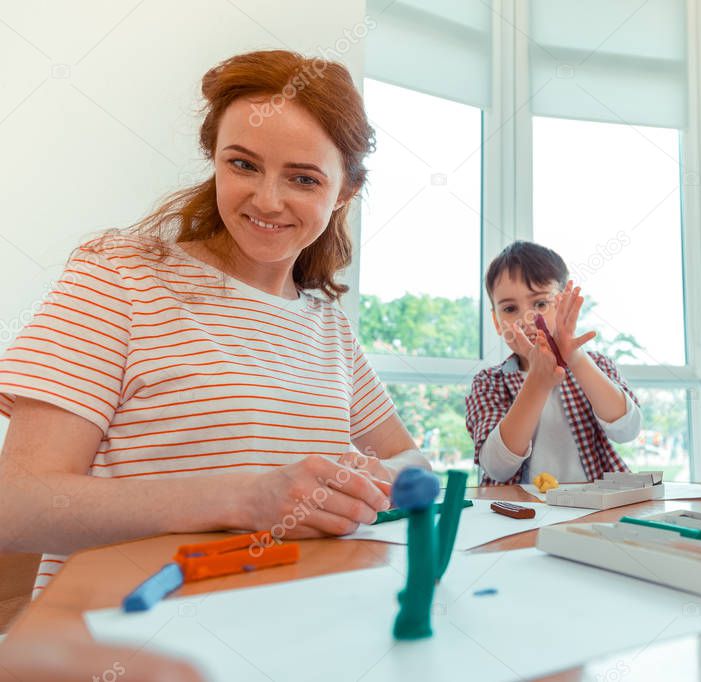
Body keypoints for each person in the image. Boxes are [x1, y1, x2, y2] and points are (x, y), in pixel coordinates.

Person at [0, 50, 428, 597]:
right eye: (243, 164)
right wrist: (247, 499)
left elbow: (414, 460)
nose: (267, 200)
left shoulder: (328, 325)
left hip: (294, 627)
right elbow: (17, 507)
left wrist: (381, 481)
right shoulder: (119, 275)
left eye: (303, 178)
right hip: (125, 639)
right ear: (215, 158)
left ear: (344, 192)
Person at [466, 241, 641, 484]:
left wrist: (575, 357)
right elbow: (497, 468)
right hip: (519, 514)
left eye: (540, 304)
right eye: (509, 309)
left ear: (564, 305)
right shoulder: (489, 382)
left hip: (594, 508)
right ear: (497, 322)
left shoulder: (596, 365)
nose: (526, 319)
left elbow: (627, 430)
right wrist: (537, 382)